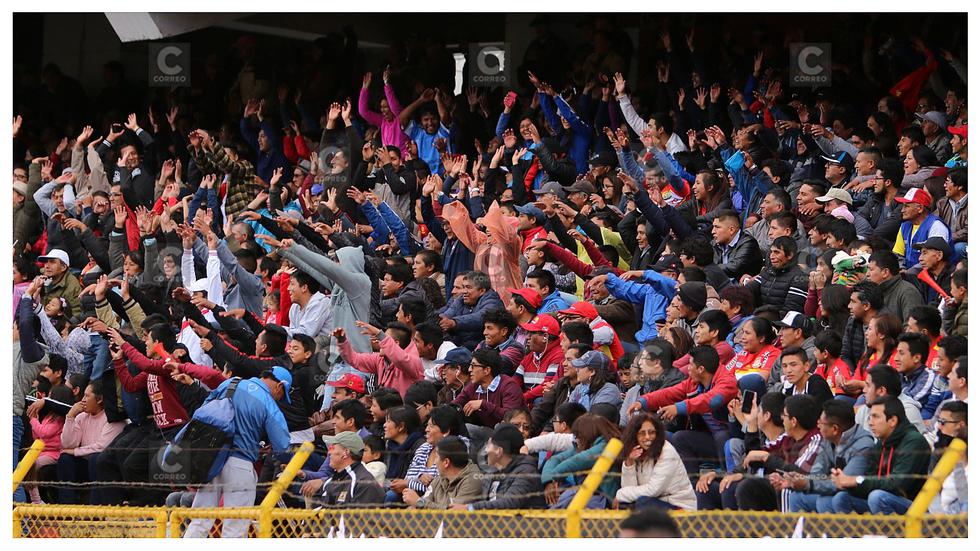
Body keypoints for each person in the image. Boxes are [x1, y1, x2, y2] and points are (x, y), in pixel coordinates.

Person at [184, 367, 292, 538]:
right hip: (240, 464)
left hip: (210, 459)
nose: (279, 398)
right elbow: (283, 444)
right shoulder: (268, 402)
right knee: (235, 526)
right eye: (282, 395)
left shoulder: (231, 382)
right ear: (279, 386)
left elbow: (205, 410)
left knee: (199, 520)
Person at [629, 345, 738, 474]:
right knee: (679, 437)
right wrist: (642, 401)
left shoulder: (727, 381)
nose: (688, 368)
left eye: (690, 365)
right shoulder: (693, 382)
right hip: (708, 438)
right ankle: (690, 481)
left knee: (721, 436)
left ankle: (726, 474)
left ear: (701, 369)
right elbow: (670, 393)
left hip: (730, 438)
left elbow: (711, 400)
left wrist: (678, 408)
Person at [828, 397, 931, 515]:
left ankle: (892, 533)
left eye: (876, 417)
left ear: (892, 420)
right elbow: (869, 482)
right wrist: (846, 483)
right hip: (884, 499)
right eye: (870, 417)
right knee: (841, 498)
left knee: (877, 497)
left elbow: (897, 484)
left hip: (916, 508)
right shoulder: (881, 443)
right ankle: (858, 533)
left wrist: (856, 480)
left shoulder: (913, 442)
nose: (870, 422)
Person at [785, 399, 875, 513]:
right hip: (837, 492)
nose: (818, 425)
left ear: (835, 429)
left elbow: (843, 483)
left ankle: (834, 531)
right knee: (796, 497)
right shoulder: (828, 439)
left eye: (821, 423)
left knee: (828, 500)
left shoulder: (863, 446)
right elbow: (817, 473)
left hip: (860, 498)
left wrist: (807, 484)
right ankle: (802, 530)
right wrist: (800, 479)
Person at [615, 412, 696, 511]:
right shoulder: (636, 452)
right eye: (642, 433)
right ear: (634, 435)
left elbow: (653, 490)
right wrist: (629, 463)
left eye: (651, 432)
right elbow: (629, 489)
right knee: (626, 503)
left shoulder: (666, 452)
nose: (648, 437)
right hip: (653, 502)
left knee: (642, 502)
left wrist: (620, 494)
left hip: (679, 508)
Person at [460, 423, 545, 510]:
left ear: (499, 451)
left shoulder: (526, 472)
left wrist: (469, 508)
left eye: (489, 445)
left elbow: (508, 504)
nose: (486, 450)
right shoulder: (493, 471)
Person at [452, 348, 524, 428]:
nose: (469, 370)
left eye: (473, 366)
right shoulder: (473, 386)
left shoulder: (509, 386)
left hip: (510, 434)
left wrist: (483, 404)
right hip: (487, 432)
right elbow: (454, 405)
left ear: (487, 370)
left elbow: (511, 417)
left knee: (470, 429)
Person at [402, 436, 482, 509]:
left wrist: (419, 503)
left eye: (436, 457)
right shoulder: (439, 479)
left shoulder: (472, 481)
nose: (435, 462)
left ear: (446, 462)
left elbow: (453, 513)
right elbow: (424, 502)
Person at [311, 431, 385, 507]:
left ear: (345, 453)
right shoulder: (331, 480)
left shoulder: (363, 483)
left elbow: (355, 518)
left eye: (332, 448)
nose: (329, 452)